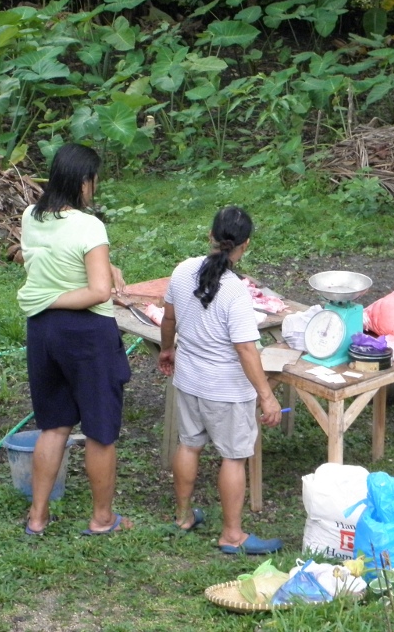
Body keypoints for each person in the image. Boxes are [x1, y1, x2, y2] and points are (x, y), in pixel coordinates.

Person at [18, 143, 132, 536]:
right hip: (86, 334)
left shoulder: (31, 216)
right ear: (84, 181)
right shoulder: (89, 225)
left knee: (54, 426)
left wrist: (106, 264)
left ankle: (37, 517)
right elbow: (100, 292)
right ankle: (102, 518)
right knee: (100, 430)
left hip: (43, 333)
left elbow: (51, 257)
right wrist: (60, 296)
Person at [158, 206, 284, 555]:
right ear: (245, 245)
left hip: (189, 380)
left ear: (210, 236)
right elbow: (245, 348)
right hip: (226, 391)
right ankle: (231, 535)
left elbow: (167, 319)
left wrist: (167, 350)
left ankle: (183, 516)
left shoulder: (183, 270)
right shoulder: (235, 291)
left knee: (189, 444)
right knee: (233, 457)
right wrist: (267, 396)